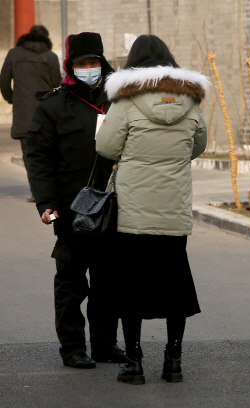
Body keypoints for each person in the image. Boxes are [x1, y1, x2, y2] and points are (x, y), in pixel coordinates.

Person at [96, 34, 208, 385]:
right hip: (173, 209)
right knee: (174, 284)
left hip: (133, 211)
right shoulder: (190, 100)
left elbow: (107, 147)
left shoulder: (125, 101)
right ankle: (173, 361)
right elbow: (199, 144)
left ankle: (134, 362)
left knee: (131, 287)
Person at [25, 32, 125, 369]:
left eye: (94, 62)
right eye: (81, 63)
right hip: (70, 210)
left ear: (103, 62)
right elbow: (38, 159)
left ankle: (105, 345)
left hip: (113, 207)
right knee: (70, 283)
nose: (89, 68)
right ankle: (72, 348)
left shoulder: (118, 101)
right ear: (70, 66)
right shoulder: (51, 106)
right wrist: (45, 204)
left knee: (109, 282)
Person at [0, 25, 61, 202]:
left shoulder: (14, 54)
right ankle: (51, 188)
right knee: (49, 151)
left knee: (29, 153)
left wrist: (13, 99)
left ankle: (37, 191)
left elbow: (3, 81)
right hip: (46, 112)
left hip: (23, 112)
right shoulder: (50, 57)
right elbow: (57, 85)